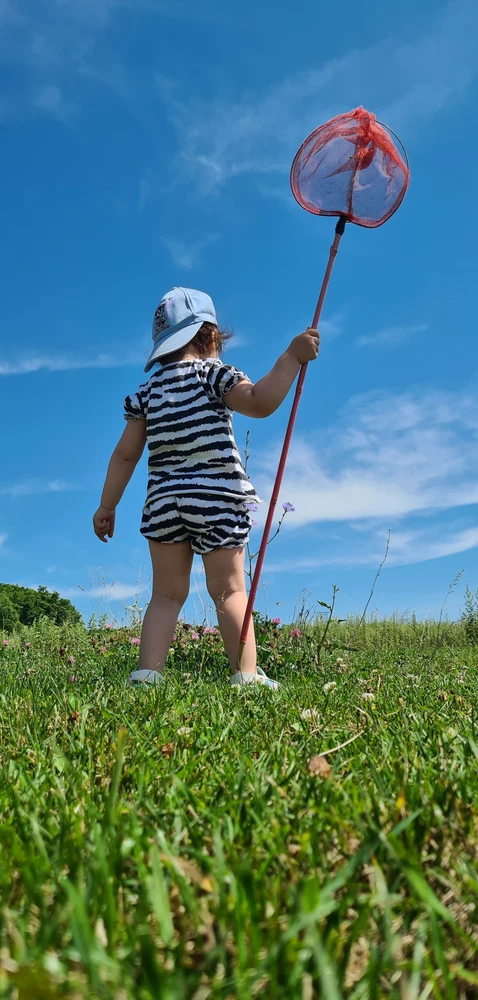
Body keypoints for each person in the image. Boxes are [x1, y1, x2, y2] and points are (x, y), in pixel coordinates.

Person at [93, 287, 319, 687]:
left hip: (164, 503)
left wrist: (107, 506)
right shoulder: (215, 374)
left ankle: (147, 675)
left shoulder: (147, 393)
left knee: (165, 596)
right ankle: (245, 676)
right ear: (212, 337)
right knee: (229, 591)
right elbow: (260, 402)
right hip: (217, 496)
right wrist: (291, 358)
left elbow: (125, 454)